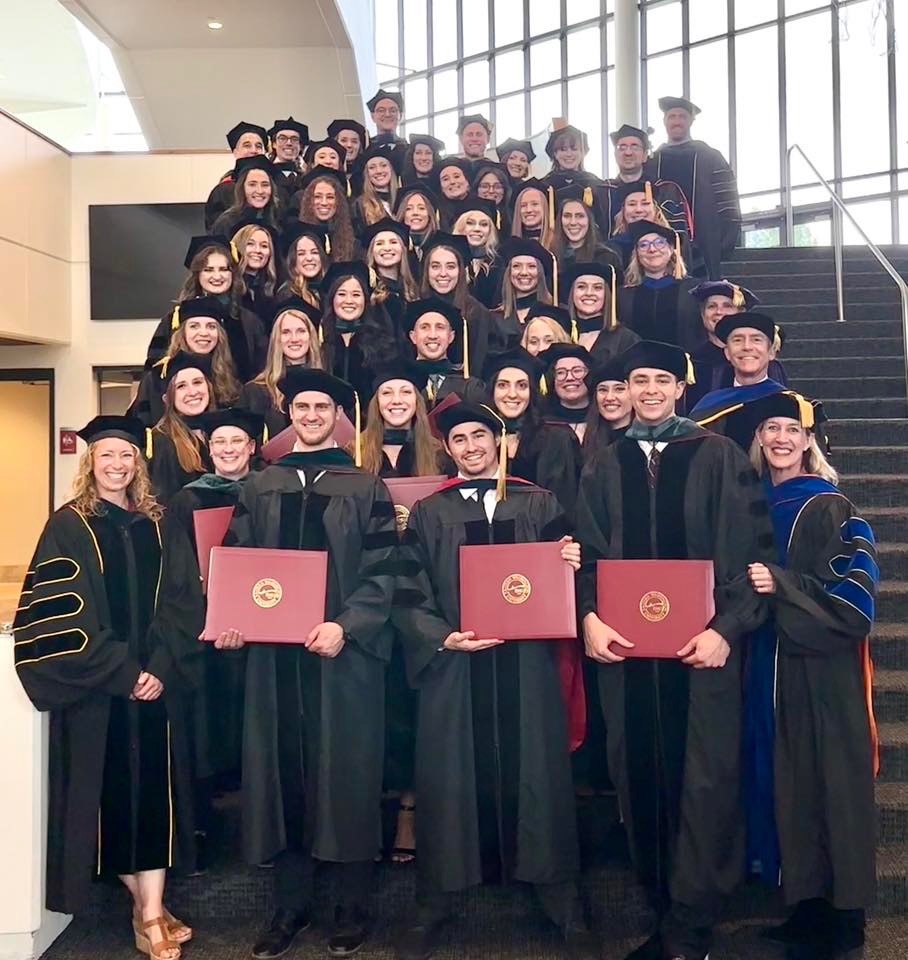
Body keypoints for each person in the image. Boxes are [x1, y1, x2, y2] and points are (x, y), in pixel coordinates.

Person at [576, 339, 774, 960]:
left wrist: (726, 630)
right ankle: (662, 913)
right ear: (625, 391)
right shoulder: (606, 463)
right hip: (628, 654)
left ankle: (692, 925)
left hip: (701, 652)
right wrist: (588, 618)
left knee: (704, 780)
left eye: (662, 380)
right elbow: (586, 552)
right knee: (637, 774)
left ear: (681, 388)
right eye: (639, 381)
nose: (651, 390)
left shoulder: (717, 456)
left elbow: (750, 553)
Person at [391, 400, 591, 960]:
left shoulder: (539, 501)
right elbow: (406, 589)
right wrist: (441, 636)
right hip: (456, 665)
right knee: (448, 777)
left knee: (540, 774)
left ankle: (563, 903)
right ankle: (435, 901)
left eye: (481, 435)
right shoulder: (429, 512)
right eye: (460, 439)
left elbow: (572, 574)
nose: (472, 446)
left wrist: (571, 561)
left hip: (528, 665)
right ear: (448, 449)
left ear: (499, 441)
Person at [214, 367, 398, 959]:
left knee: (347, 773)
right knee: (282, 772)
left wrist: (347, 625)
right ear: (289, 415)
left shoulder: (365, 486)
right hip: (276, 662)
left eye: (322, 407)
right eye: (302, 407)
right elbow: (237, 564)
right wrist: (232, 623)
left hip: (344, 657)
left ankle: (351, 905)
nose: (312, 415)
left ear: (338, 416)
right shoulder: (261, 486)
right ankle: (289, 906)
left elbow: (386, 571)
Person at [14, 415, 203, 957]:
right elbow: (60, 616)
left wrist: (159, 668)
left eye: (127, 456)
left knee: (157, 799)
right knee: (108, 800)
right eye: (107, 455)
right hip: (101, 690)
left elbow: (185, 602)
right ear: (90, 462)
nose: (117, 465)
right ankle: (149, 910)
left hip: (156, 689)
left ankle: (151, 909)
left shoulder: (159, 524)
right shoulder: (68, 525)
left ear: (138, 464)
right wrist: (124, 673)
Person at [745, 391, 879, 960]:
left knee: (830, 780)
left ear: (808, 441)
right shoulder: (752, 502)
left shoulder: (829, 506)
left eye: (791, 431)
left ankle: (844, 917)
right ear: (758, 439)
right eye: (770, 429)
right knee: (791, 779)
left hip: (820, 665)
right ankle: (804, 907)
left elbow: (855, 602)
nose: (780, 439)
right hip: (768, 662)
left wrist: (783, 584)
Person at [360, 363, 452, 866]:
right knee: (378, 708)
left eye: (405, 391)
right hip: (370, 593)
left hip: (420, 592)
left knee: (414, 705)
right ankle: (369, 812)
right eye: (386, 392)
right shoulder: (355, 455)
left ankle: (411, 812)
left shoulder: (439, 454)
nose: (396, 399)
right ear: (375, 403)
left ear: (419, 400)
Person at [166, 408, 263, 862]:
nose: (227, 449)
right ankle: (208, 829)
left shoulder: (269, 490)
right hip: (205, 626)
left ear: (252, 447)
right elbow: (178, 566)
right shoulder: (187, 500)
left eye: (236, 441)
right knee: (209, 723)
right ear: (209, 449)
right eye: (219, 442)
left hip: (260, 625)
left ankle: (262, 829)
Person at [143, 235, 267, 382]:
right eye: (208, 270)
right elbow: (155, 372)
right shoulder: (174, 320)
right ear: (197, 274)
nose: (217, 276)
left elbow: (261, 371)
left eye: (224, 269)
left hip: (237, 395)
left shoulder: (249, 322)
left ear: (233, 274)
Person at [484, 347, 582, 521]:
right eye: (503, 385)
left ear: (532, 392)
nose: (512, 394)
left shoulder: (556, 438)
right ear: (492, 391)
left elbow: (566, 502)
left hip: (544, 532)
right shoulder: (481, 438)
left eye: (522, 385)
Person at [653, 97, 741, 278]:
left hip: (706, 237)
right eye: (672, 117)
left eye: (682, 117)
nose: (677, 121)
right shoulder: (654, 160)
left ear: (691, 121)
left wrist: (727, 236)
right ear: (664, 121)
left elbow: (727, 200)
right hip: (663, 242)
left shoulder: (710, 156)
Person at [130, 297, 243, 429]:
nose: (204, 333)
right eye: (194, 326)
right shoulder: (158, 377)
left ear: (220, 334)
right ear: (182, 333)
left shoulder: (228, 376)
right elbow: (144, 426)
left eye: (211, 326)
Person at [689, 312, 788, 450]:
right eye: (737, 340)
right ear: (727, 353)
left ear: (771, 352)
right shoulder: (709, 405)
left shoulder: (788, 404)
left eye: (756, 340)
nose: (747, 347)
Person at [685, 280, 787, 409]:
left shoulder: (765, 363)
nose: (719, 311)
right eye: (711, 306)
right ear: (702, 314)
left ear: (740, 313)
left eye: (727, 306)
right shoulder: (693, 361)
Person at [239, 298, 325, 438]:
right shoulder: (255, 392)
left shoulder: (328, 389)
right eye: (286, 332)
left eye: (301, 331)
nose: (294, 339)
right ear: (276, 339)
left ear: (311, 337)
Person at [418, 232, 499, 379]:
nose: (443, 273)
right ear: (426, 270)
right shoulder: (414, 310)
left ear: (460, 271)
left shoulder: (476, 313)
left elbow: (479, 365)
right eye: (435, 266)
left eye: (451, 267)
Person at [320, 260, 401, 404]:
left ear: (365, 300)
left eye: (356, 295)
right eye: (342, 294)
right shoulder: (320, 340)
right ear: (332, 299)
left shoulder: (383, 344)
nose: (349, 301)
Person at [617, 222, 704, 352]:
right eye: (643, 245)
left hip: (686, 362)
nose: (652, 249)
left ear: (671, 249)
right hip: (637, 363)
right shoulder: (623, 295)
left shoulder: (694, 290)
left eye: (659, 243)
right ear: (637, 254)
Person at [146, 353, 215, 503]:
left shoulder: (219, 432)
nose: (193, 392)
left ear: (209, 388)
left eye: (197, 382)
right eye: (181, 386)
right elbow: (164, 501)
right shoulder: (162, 440)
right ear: (167, 398)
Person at [601, 125, 689, 241]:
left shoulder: (665, 190)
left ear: (645, 155)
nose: (628, 152)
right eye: (622, 147)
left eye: (635, 147)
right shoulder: (603, 192)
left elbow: (679, 237)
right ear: (615, 155)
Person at [405, 297, 487, 408]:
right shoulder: (400, 384)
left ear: (451, 337)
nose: (432, 335)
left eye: (440, 327)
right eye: (424, 327)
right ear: (413, 337)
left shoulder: (470, 387)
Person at [605, 180, 693, 270]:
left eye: (645, 203)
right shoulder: (612, 250)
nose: (639, 209)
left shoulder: (674, 244)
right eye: (632, 204)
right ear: (623, 211)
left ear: (655, 209)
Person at [563, 262, 640, 363]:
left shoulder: (626, 340)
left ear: (607, 295)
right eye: (581, 287)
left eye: (597, 287)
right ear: (572, 293)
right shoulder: (560, 334)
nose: (589, 293)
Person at [205, 121, 268, 230]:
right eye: (247, 145)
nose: (254, 150)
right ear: (235, 152)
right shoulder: (223, 190)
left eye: (258, 146)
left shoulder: (274, 187)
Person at [493, 237, 556, 345]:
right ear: (508, 273)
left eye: (531, 266)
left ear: (540, 273)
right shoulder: (494, 319)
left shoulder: (555, 313)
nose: (524, 272)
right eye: (516, 266)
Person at [553, 185, 624, 277]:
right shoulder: (551, 257)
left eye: (580, 216)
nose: (573, 222)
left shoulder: (606, 258)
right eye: (567, 216)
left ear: (590, 220)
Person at [363, 217, 419, 334]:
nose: (387, 248)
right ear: (372, 252)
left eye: (393, 242)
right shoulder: (366, 291)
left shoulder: (412, 290)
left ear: (402, 249)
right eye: (379, 243)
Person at [451, 196, 503, 309]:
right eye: (470, 223)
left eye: (484, 224)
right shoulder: (447, 260)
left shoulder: (497, 265)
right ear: (460, 226)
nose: (477, 229)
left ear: (490, 231)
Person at [211, 156, 283, 238]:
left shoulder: (276, 223)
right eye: (252, 184)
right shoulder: (226, 223)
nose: (260, 191)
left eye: (265, 185)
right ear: (242, 188)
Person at [296, 166, 357, 261]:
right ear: (309, 201)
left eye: (330, 197)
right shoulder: (296, 240)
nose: (324, 203)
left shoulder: (353, 244)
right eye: (317, 197)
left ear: (339, 202)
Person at [581, 355, 634, 461]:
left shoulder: (649, 441)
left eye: (619, 389)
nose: (609, 397)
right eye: (603, 390)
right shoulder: (588, 441)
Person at [540, 343, 593, 441]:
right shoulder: (541, 422)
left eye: (577, 371)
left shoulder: (603, 419)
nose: (569, 378)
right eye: (561, 372)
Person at [232, 221, 281, 328]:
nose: (258, 250)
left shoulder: (274, 289)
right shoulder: (229, 287)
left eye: (264, 246)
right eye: (250, 244)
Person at [277, 221, 331, 310]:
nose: (309, 258)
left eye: (314, 252)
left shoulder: (330, 291)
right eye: (301, 254)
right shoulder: (288, 296)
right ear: (293, 260)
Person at [352, 143, 402, 237]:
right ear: (366, 174)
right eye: (372, 167)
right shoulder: (360, 205)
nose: (378, 171)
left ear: (391, 170)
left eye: (383, 165)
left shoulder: (403, 200)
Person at [543, 125, 602, 192]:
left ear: (582, 153)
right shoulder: (544, 185)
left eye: (574, 149)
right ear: (555, 154)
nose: (569, 154)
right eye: (563, 149)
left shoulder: (595, 184)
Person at [394, 183, 440, 264]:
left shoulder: (441, 246)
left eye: (421, 208)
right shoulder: (394, 247)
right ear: (402, 214)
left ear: (430, 214)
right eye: (408, 209)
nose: (415, 213)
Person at [511, 179, 556, 250]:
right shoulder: (509, 247)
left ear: (545, 207)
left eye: (535, 204)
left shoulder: (557, 244)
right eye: (523, 205)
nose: (528, 210)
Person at [472, 160, 513, 235]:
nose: (491, 191)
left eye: (497, 187)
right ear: (476, 189)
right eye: (485, 186)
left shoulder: (512, 218)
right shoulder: (467, 216)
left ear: (505, 190)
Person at [431, 157, 474, 229]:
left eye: (456, 176)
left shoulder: (482, 206)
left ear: (467, 181)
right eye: (445, 179)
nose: (452, 182)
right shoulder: (435, 212)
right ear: (441, 187)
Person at [268, 117, 309, 188]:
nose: (289, 143)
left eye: (294, 139)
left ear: (301, 146)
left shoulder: (307, 179)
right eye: (282, 138)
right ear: (274, 144)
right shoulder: (266, 174)